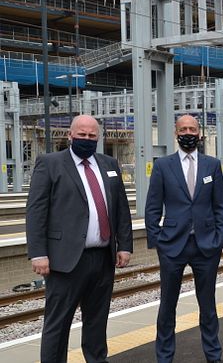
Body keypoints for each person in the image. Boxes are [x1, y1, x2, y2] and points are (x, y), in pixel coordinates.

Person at [26, 114, 133, 363]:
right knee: (58, 323)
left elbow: (120, 208)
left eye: (92, 136)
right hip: (65, 260)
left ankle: (97, 359)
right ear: (70, 135)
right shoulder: (50, 163)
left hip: (103, 257)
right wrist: (38, 253)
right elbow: (36, 211)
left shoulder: (109, 164)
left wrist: (125, 245)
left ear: (98, 137)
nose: (87, 139)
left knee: (97, 320)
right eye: (82, 135)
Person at [145, 114, 223, 363]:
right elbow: (152, 207)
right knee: (168, 306)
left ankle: (214, 356)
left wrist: (220, 238)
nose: (188, 133)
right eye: (184, 129)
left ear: (200, 133)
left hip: (206, 245)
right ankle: (164, 357)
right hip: (172, 245)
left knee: (208, 306)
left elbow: (220, 206)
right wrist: (157, 240)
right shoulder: (162, 166)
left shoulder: (212, 165)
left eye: (192, 128)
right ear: (176, 133)